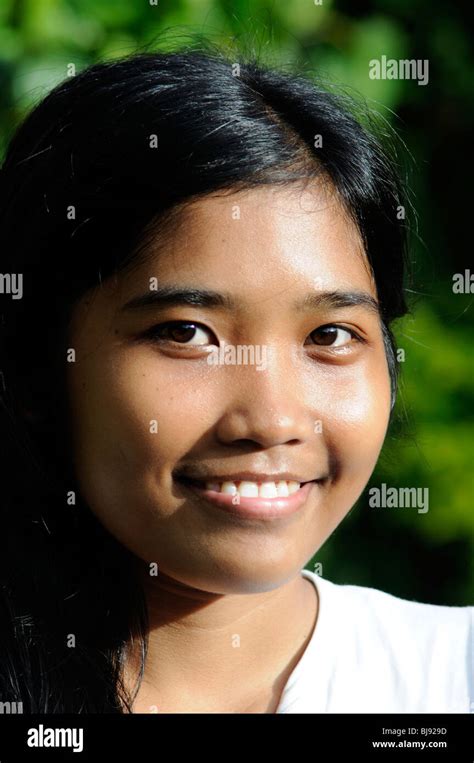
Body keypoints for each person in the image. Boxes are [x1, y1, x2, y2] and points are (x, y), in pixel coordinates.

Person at [0, 46, 471, 714]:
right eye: (186, 332)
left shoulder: (453, 677)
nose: (273, 419)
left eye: (329, 336)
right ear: (36, 367)